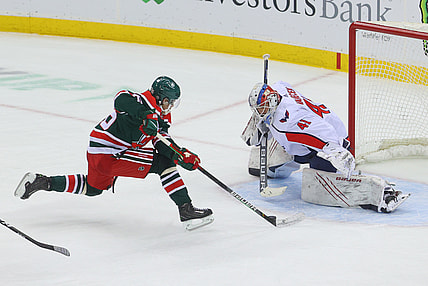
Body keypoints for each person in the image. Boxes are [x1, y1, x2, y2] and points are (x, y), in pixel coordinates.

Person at [15, 76, 213, 231]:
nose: (170, 107)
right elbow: (121, 99)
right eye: (169, 102)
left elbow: (161, 141)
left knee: (93, 188)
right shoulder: (138, 101)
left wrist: (179, 154)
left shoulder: (163, 115)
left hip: (100, 151)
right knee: (163, 165)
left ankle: (43, 182)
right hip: (109, 153)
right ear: (161, 97)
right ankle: (185, 209)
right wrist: (145, 115)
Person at [241, 80, 410, 213]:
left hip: (328, 145)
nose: (259, 112)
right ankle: (281, 166)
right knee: (261, 163)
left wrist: (335, 150)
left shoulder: (286, 124)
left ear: (271, 101)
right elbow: (281, 84)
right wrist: (260, 122)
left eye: (261, 109)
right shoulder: (279, 89)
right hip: (308, 140)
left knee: (316, 190)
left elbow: (320, 132)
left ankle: (382, 194)